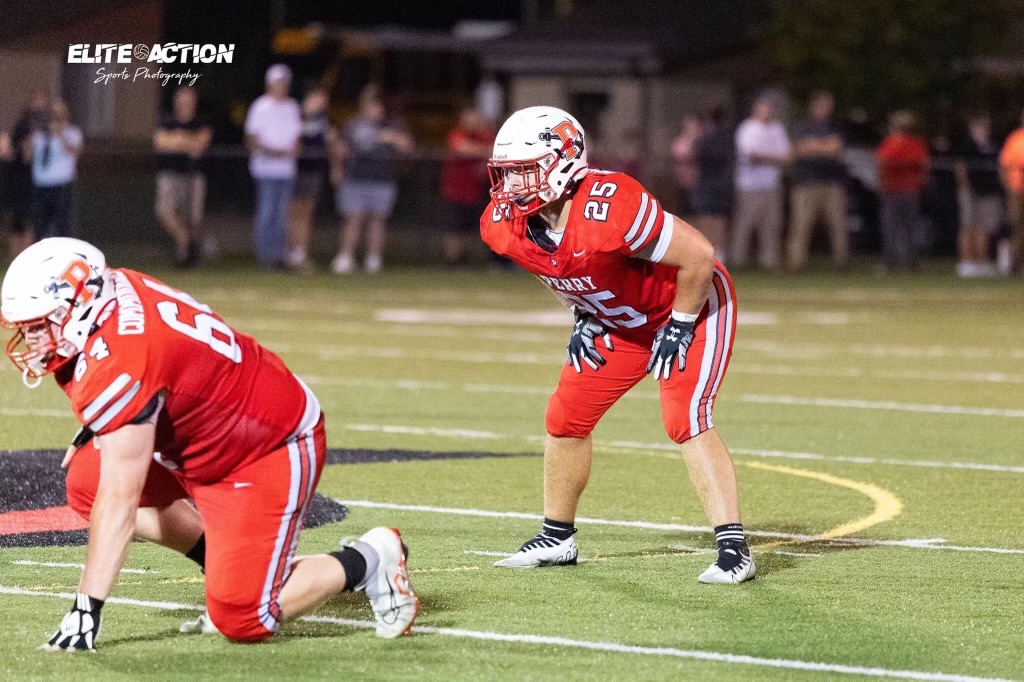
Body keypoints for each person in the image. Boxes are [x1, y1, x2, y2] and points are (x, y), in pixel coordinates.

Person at [0, 237, 418, 650]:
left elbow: (120, 500)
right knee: (84, 481)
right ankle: (222, 562)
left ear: (77, 310)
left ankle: (369, 559)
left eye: (38, 326)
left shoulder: (119, 360)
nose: (32, 340)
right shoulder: (111, 289)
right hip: (208, 434)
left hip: (266, 448)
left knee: (243, 617)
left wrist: (86, 606)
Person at [480, 107, 753, 584]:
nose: (512, 186)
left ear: (563, 163)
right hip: (621, 318)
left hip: (692, 305)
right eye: (507, 173)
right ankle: (557, 536)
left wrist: (681, 324)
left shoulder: (610, 206)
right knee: (565, 418)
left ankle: (734, 548)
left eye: (524, 171)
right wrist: (581, 310)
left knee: (684, 418)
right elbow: (557, 267)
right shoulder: (504, 225)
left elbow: (699, 257)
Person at [331, 89, 413, 274]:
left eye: (378, 106)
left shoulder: (393, 125)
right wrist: (337, 166)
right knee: (353, 219)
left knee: (378, 220)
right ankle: (346, 256)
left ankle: (373, 258)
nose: (376, 110)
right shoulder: (352, 125)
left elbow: (407, 147)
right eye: (371, 106)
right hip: (355, 178)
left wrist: (391, 138)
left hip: (382, 179)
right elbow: (340, 149)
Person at [245, 64, 302, 269]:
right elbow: (252, 137)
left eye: (284, 83)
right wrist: (271, 151)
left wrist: (289, 152)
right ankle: (264, 257)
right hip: (266, 168)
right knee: (267, 212)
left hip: (286, 169)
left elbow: (296, 138)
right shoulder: (260, 106)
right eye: (278, 82)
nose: (281, 86)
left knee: (281, 214)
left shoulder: (292, 107)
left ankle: (279, 257)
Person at [787, 91, 848, 271]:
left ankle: (841, 263)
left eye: (828, 104)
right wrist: (824, 147)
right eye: (821, 104)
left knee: (838, 226)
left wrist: (814, 146)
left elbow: (837, 148)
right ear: (813, 105)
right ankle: (796, 264)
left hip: (832, 183)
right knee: (801, 226)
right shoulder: (802, 125)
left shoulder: (836, 125)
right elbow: (798, 149)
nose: (825, 108)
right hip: (806, 183)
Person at [153, 87, 212, 268]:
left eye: (189, 99)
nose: (185, 102)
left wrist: (177, 139)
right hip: (170, 174)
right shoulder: (166, 120)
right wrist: (187, 141)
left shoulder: (202, 121)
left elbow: (200, 145)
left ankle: (188, 256)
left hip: (194, 175)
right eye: (182, 99)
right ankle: (186, 243)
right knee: (165, 212)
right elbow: (160, 142)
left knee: (193, 218)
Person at [730, 96, 791, 270]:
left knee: (772, 225)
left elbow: (786, 156)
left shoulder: (777, 128)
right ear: (756, 108)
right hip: (750, 185)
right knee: (745, 224)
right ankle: (738, 261)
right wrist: (773, 157)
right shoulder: (747, 128)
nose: (767, 112)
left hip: (771, 185)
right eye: (763, 107)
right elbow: (751, 154)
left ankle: (769, 262)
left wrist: (767, 156)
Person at [287, 87, 335, 271]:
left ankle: (301, 252)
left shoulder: (323, 122)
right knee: (292, 211)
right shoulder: (294, 115)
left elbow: (330, 144)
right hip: (293, 170)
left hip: (313, 171)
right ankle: (289, 251)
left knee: (306, 213)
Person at [876, 110, 930, 273]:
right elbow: (924, 166)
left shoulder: (894, 144)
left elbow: (881, 164)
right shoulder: (914, 144)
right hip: (905, 190)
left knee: (894, 227)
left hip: (898, 190)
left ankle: (895, 263)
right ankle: (909, 263)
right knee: (906, 228)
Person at [440, 107, 494, 265]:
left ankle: (468, 261)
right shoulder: (457, 134)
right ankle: (452, 262)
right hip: (454, 191)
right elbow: (461, 147)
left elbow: (494, 149)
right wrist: (483, 151)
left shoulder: (484, 136)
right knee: (455, 229)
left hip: (475, 192)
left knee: (472, 230)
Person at [23, 100, 82, 241]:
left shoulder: (73, 132)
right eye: (53, 113)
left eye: (59, 113)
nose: (56, 117)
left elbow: (73, 151)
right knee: (39, 226)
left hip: (61, 186)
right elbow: (27, 156)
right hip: (41, 186)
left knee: (63, 226)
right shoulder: (41, 135)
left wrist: (60, 135)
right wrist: (31, 137)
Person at [955, 113, 1002, 278]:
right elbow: (960, 169)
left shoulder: (992, 146)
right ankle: (967, 263)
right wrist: (965, 189)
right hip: (971, 193)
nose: (983, 129)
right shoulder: (968, 146)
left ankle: (981, 262)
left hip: (988, 193)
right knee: (968, 226)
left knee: (984, 228)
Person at [7, 91, 49, 255]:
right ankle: (15, 255)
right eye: (37, 101)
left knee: (32, 220)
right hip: (19, 178)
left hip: (39, 180)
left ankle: (28, 254)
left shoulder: (46, 127)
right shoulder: (23, 124)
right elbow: (19, 152)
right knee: (17, 219)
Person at [691, 107, 734, 263]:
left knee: (706, 219)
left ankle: (706, 253)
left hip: (708, 182)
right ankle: (719, 255)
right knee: (719, 220)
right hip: (721, 182)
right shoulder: (726, 138)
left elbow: (693, 154)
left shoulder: (705, 138)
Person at [998, 109, 1024, 275]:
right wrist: (1008, 188)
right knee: (1017, 227)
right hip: (1017, 190)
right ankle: (1015, 265)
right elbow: (1004, 166)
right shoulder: (1015, 138)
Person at [670, 114, 701, 217]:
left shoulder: (700, 142)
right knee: (682, 209)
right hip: (682, 181)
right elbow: (682, 156)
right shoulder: (679, 143)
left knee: (696, 210)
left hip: (697, 181)